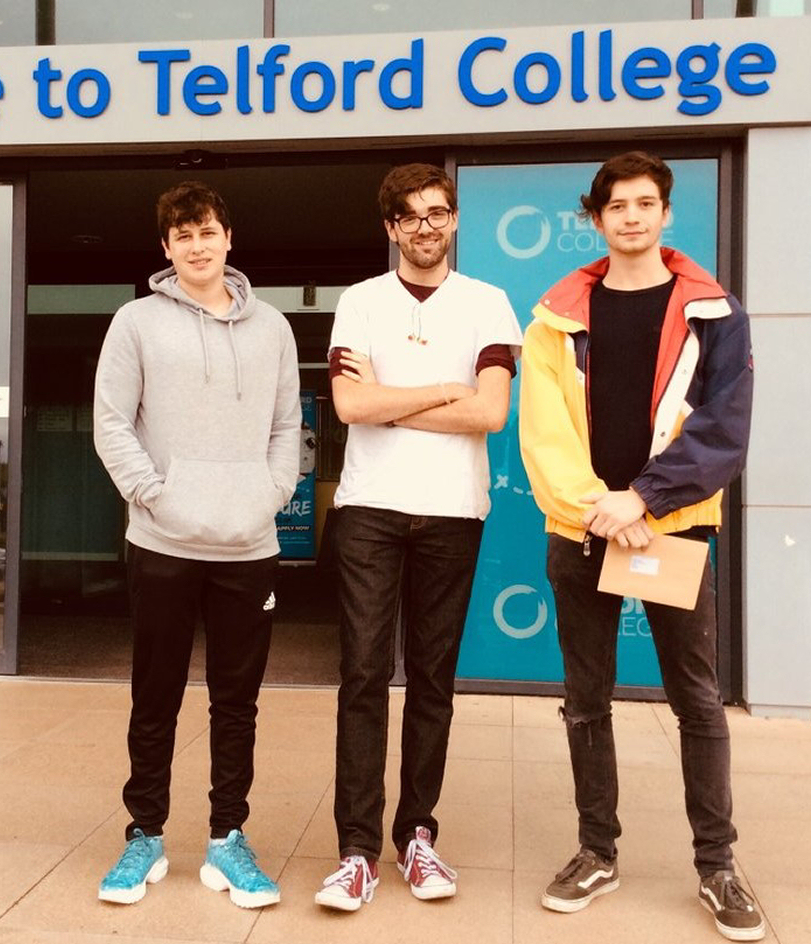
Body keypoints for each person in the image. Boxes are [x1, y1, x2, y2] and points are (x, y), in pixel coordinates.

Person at [518, 151, 763, 942]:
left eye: (645, 203)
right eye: (616, 204)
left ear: (665, 214)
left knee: (696, 701)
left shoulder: (714, 311)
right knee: (586, 701)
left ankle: (717, 866)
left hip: (673, 529)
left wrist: (644, 501)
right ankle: (597, 851)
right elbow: (543, 432)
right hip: (583, 531)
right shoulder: (556, 315)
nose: (631, 216)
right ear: (596, 219)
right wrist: (601, 507)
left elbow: (724, 431)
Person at [314, 163, 522, 912]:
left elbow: (491, 414)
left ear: (455, 219)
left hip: (453, 512)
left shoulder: (489, 304)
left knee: (432, 683)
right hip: (370, 509)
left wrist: (387, 402)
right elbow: (346, 404)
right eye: (411, 216)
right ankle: (357, 851)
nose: (426, 226)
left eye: (439, 212)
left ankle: (419, 836)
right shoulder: (361, 302)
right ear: (391, 228)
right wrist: (443, 387)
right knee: (363, 678)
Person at [92, 181, 300, 909]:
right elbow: (112, 422)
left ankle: (227, 840)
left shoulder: (274, 327)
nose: (197, 245)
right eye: (183, 236)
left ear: (228, 237)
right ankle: (144, 835)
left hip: (248, 545)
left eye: (207, 231)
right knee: (155, 696)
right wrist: (156, 494)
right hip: (163, 543)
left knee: (235, 703)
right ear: (166, 249)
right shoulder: (136, 322)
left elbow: (286, 428)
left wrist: (267, 493)